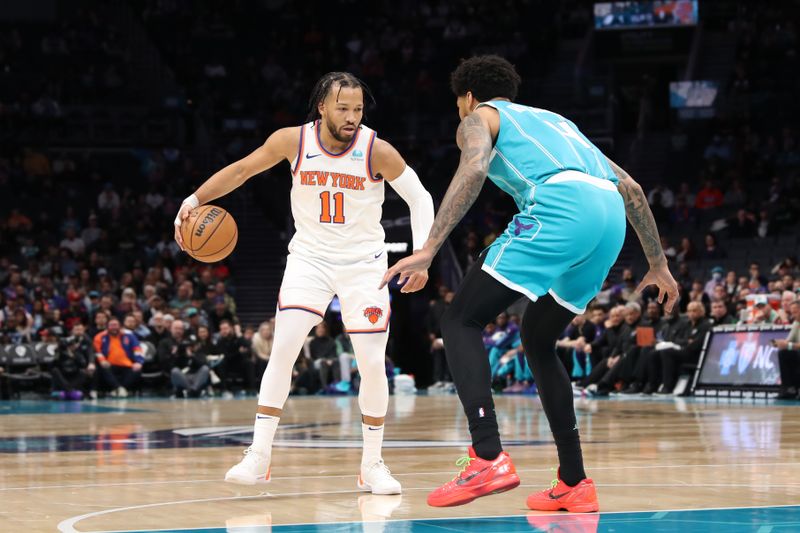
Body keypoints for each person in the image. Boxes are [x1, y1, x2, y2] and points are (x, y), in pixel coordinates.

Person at [382, 55, 678, 511]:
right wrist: (657, 265)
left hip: (561, 207)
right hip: (609, 220)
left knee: (460, 320)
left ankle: (486, 455)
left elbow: (475, 167)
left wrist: (430, 247)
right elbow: (632, 190)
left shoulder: (478, 116)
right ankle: (575, 482)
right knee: (538, 340)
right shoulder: (558, 122)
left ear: (466, 97)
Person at [174, 71, 434, 494]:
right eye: (343, 108)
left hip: (363, 264)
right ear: (322, 107)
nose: (352, 117)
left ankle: (373, 464)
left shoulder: (376, 150)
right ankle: (259, 455)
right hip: (309, 259)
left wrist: (422, 253)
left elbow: (420, 196)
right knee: (284, 348)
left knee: (371, 363)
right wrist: (193, 200)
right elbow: (241, 170)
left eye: (358, 109)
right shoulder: (292, 141)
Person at [93, 316, 144, 398]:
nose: (114, 328)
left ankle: (120, 389)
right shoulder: (99, 336)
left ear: (120, 326)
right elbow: (97, 351)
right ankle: (119, 388)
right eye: (111, 325)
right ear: (107, 327)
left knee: (137, 369)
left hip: (127, 364)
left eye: (116, 325)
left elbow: (137, 349)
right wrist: (102, 360)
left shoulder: (129, 335)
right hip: (109, 364)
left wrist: (139, 362)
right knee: (103, 368)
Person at [776, 301, 800, 399]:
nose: (793, 315)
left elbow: (791, 345)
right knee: (783, 353)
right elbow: (789, 341)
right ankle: (789, 389)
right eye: (792, 313)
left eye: (795, 312)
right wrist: (781, 343)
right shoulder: (796, 323)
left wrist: (788, 345)